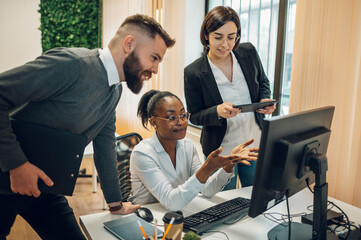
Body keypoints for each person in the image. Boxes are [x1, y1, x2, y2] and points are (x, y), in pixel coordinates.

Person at [0, 14, 175, 239]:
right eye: (154, 58)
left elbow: (105, 146)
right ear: (129, 44)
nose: (155, 69)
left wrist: (115, 203)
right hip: (6, 175)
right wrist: (17, 165)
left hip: (44, 187)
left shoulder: (114, 91)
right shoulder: (72, 64)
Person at [184, 6, 276, 190]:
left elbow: (263, 81)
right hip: (222, 151)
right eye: (218, 37)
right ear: (206, 35)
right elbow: (194, 116)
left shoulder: (248, 53)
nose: (225, 44)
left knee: (256, 197)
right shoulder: (194, 72)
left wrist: (266, 99)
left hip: (254, 145)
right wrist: (216, 111)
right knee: (223, 204)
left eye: (231, 37)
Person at [128, 90, 258, 211]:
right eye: (172, 118)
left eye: (183, 115)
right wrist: (207, 168)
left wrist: (228, 165)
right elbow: (171, 201)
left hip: (178, 213)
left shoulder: (187, 145)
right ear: (154, 122)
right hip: (147, 218)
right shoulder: (142, 154)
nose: (181, 122)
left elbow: (206, 190)